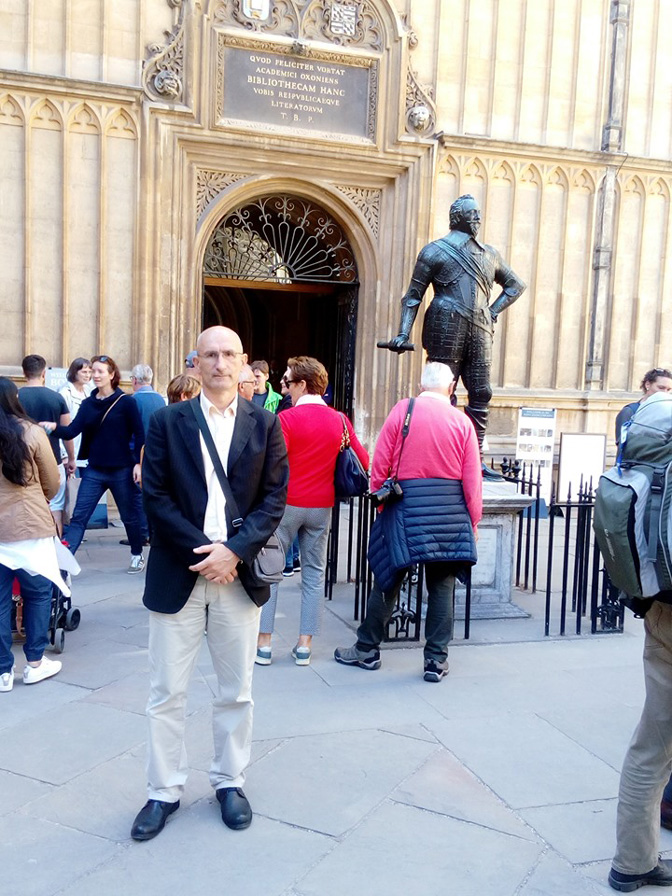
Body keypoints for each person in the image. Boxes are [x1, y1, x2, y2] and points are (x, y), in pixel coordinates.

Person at [130, 325, 288, 841]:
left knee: (236, 691)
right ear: (195, 363)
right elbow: (155, 496)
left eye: (228, 354)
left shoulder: (266, 424)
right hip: (180, 570)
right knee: (165, 692)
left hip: (237, 577)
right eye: (210, 355)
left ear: (243, 363)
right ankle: (163, 789)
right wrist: (205, 553)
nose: (219, 363)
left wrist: (233, 552)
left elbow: (274, 499)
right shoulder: (167, 421)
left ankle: (230, 781)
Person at [334, 361, 481, 682]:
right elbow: (472, 480)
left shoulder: (404, 410)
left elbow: (381, 461)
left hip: (404, 506)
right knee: (442, 587)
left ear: (421, 385)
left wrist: (380, 502)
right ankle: (435, 661)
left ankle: (367, 649)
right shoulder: (462, 422)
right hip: (448, 512)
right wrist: (473, 521)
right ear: (451, 388)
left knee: (388, 578)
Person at [385, 194, 525, 474]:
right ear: (457, 217)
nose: (478, 218)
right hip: (445, 324)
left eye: (478, 213)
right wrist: (402, 332)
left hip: (480, 328)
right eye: (472, 214)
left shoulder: (490, 254)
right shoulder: (434, 251)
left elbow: (515, 285)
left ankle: (473, 459)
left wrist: (492, 311)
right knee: (440, 391)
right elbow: (413, 296)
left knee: (481, 391)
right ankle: (441, 456)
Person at [257, 356, 368, 666]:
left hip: (287, 505)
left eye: (288, 382)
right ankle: (304, 645)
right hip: (321, 506)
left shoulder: (287, 419)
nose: (285, 387)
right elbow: (363, 460)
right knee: (314, 575)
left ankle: (264, 643)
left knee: (270, 571)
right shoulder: (340, 420)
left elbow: (272, 465)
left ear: (303, 384)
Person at [0, 378, 74, 691]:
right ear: (14, 399)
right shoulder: (31, 431)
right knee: (39, 593)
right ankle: (34, 663)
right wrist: (36, 495)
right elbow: (52, 482)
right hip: (29, 524)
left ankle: (2, 673)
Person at [42, 355, 146, 574]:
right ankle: (64, 565)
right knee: (79, 517)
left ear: (112, 375)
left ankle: (137, 554)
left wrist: (138, 463)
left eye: (99, 371)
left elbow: (139, 434)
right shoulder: (88, 404)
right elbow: (72, 430)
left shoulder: (126, 402)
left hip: (121, 470)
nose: (95, 375)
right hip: (95, 470)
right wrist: (54, 427)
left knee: (128, 516)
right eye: (92, 371)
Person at [19, 354, 76, 536]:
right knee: (55, 507)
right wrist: (71, 458)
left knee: (26, 507)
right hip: (53, 459)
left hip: (23, 460)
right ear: (44, 373)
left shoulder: (15, 398)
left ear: (24, 372)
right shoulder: (56, 398)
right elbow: (67, 433)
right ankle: (56, 546)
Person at [615, 368, 672, 445]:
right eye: (661, 388)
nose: (665, 393)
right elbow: (622, 443)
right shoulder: (630, 411)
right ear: (647, 384)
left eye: (668, 390)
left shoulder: (668, 413)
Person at [59, 357, 93, 475]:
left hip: (88, 450)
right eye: (84, 372)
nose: (87, 375)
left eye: (89, 372)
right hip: (72, 450)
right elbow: (62, 426)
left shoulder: (90, 392)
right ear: (75, 372)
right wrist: (64, 455)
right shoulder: (65, 393)